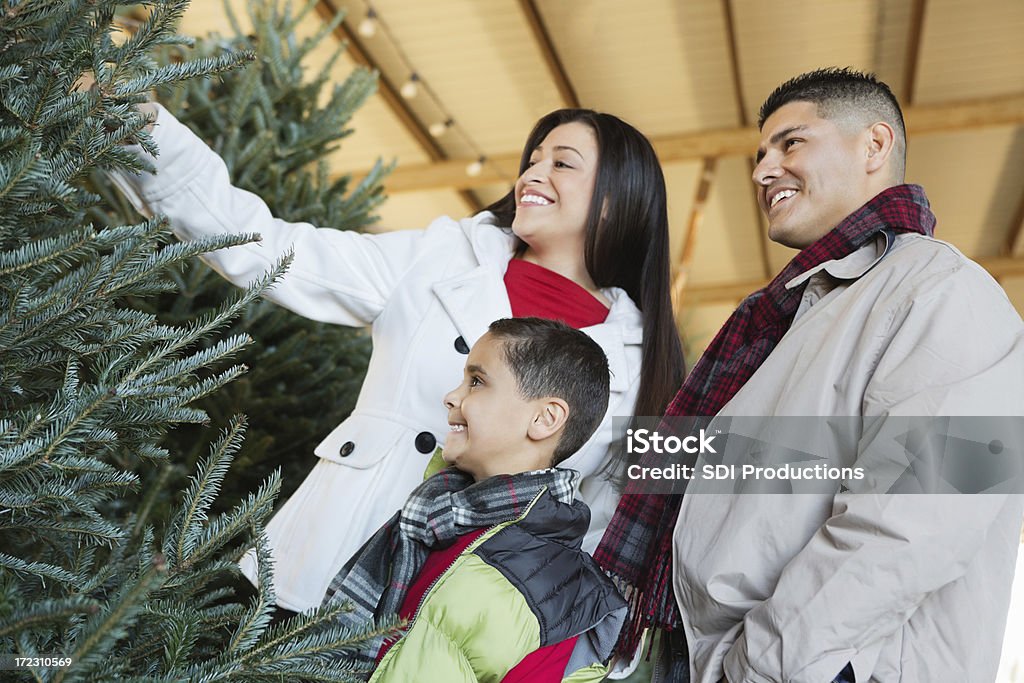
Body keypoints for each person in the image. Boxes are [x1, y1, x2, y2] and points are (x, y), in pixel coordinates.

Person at [109, 104, 684, 615]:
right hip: (325, 575)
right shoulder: (440, 258)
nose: (533, 172)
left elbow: (602, 529)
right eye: (532, 159)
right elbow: (272, 248)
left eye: (563, 163)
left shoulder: (639, 363)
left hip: (459, 624)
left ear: (616, 201)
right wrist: (146, 133)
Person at [595, 67, 1024, 683]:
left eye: (790, 143)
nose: (763, 170)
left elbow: (928, 514)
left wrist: (763, 663)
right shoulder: (789, 318)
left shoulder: (947, 293)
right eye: (760, 153)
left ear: (874, 145)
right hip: (715, 657)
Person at [323, 317, 626, 682]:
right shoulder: (431, 517)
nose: (451, 396)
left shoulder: (559, 593)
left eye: (477, 382)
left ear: (545, 419)